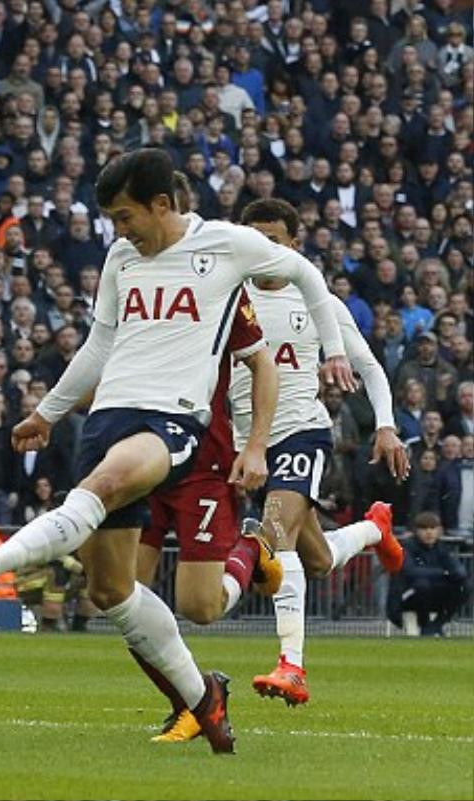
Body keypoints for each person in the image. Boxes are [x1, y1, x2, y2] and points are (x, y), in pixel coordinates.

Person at [0, 149, 353, 753]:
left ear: (163, 205)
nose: (118, 230)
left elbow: (304, 281)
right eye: (111, 218)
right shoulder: (120, 258)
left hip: (177, 425)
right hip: (108, 417)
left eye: (125, 216)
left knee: (111, 495)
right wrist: (49, 412)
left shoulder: (226, 248)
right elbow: (100, 341)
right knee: (109, 591)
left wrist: (334, 352)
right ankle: (199, 699)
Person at [233, 199, 409, 707]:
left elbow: (369, 367)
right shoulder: (226, 297)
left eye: (274, 240)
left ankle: (292, 666)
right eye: (255, 239)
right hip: (250, 445)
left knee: (274, 534)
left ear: (294, 244)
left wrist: (386, 427)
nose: (264, 249)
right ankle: (375, 529)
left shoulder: (319, 302)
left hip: (299, 434)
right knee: (316, 559)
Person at [136, 177, 285, 744]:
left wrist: (254, 446)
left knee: (198, 607)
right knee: (122, 598)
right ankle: (195, 699)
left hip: (201, 457)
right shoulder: (127, 273)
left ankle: (251, 547)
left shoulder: (218, 282)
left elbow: (260, 364)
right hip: (136, 453)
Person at [388, 511, 471, 636]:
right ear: (416, 531)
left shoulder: (441, 548)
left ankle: (436, 625)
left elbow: (457, 570)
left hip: (432, 595)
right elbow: (411, 572)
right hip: (408, 596)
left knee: (465, 586)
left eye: (432, 528)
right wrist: (444, 573)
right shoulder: (407, 547)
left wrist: (457, 574)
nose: (429, 532)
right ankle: (425, 624)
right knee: (422, 585)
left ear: (439, 530)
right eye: (424, 528)